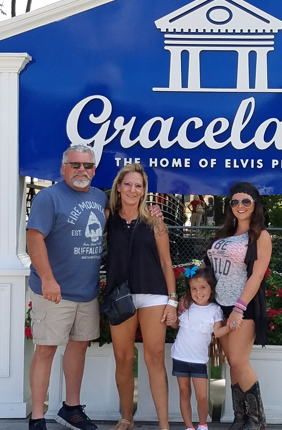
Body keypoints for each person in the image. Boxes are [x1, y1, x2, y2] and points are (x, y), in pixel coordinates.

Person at [26, 144, 108, 430]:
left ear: (94, 170)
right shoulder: (48, 198)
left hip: (86, 292)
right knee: (46, 350)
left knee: (78, 347)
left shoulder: (99, 197)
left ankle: (71, 408)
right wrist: (48, 279)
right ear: (63, 169)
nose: (81, 170)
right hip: (54, 292)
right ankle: (37, 417)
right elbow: (34, 238)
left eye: (87, 165)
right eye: (75, 165)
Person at [104, 163, 178, 430]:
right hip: (119, 296)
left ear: (144, 190)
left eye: (138, 185)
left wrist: (172, 300)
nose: (132, 190)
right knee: (123, 358)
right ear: (119, 187)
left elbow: (166, 262)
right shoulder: (108, 217)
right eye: (128, 184)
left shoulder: (155, 221)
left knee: (154, 357)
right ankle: (127, 417)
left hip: (153, 295)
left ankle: (164, 424)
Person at [206, 182, 272, 430]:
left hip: (242, 306)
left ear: (255, 205)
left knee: (238, 361)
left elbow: (257, 275)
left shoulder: (260, 236)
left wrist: (239, 308)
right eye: (235, 201)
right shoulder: (225, 234)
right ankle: (241, 416)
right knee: (232, 362)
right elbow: (209, 267)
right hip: (219, 304)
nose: (240, 206)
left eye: (246, 201)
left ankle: (258, 419)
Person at [170, 265, 230, 430]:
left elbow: (217, 332)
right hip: (180, 357)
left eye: (203, 287)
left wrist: (230, 326)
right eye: (194, 289)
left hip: (199, 361)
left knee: (202, 396)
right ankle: (189, 427)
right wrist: (171, 318)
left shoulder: (215, 310)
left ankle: (202, 425)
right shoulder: (186, 305)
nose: (198, 292)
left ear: (211, 288)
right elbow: (176, 325)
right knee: (184, 393)